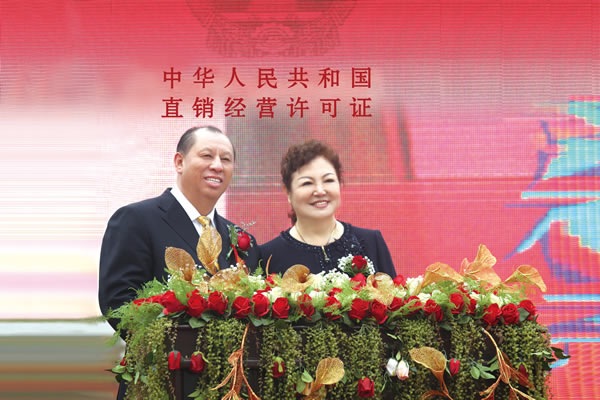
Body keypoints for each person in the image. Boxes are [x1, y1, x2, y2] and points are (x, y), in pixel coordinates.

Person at [98, 126, 260, 399]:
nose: (217, 166)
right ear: (179, 162)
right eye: (207, 155)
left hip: (227, 387)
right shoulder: (136, 220)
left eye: (226, 159)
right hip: (161, 383)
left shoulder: (243, 241)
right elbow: (118, 303)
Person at [260, 139, 396, 277]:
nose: (320, 191)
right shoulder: (268, 256)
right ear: (288, 192)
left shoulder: (371, 242)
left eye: (328, 180)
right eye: (307, 183)